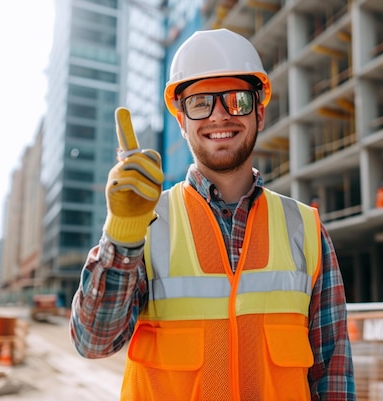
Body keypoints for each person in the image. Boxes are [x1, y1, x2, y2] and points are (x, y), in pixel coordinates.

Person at [70, 28, 355, 401]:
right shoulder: (147, 223)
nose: (220, 116)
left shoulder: (305, 228)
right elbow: (93, 341)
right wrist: (122, 234)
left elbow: (332, 373)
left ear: (260, 113)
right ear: (181, 121)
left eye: (236, 100)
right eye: (201, 102)